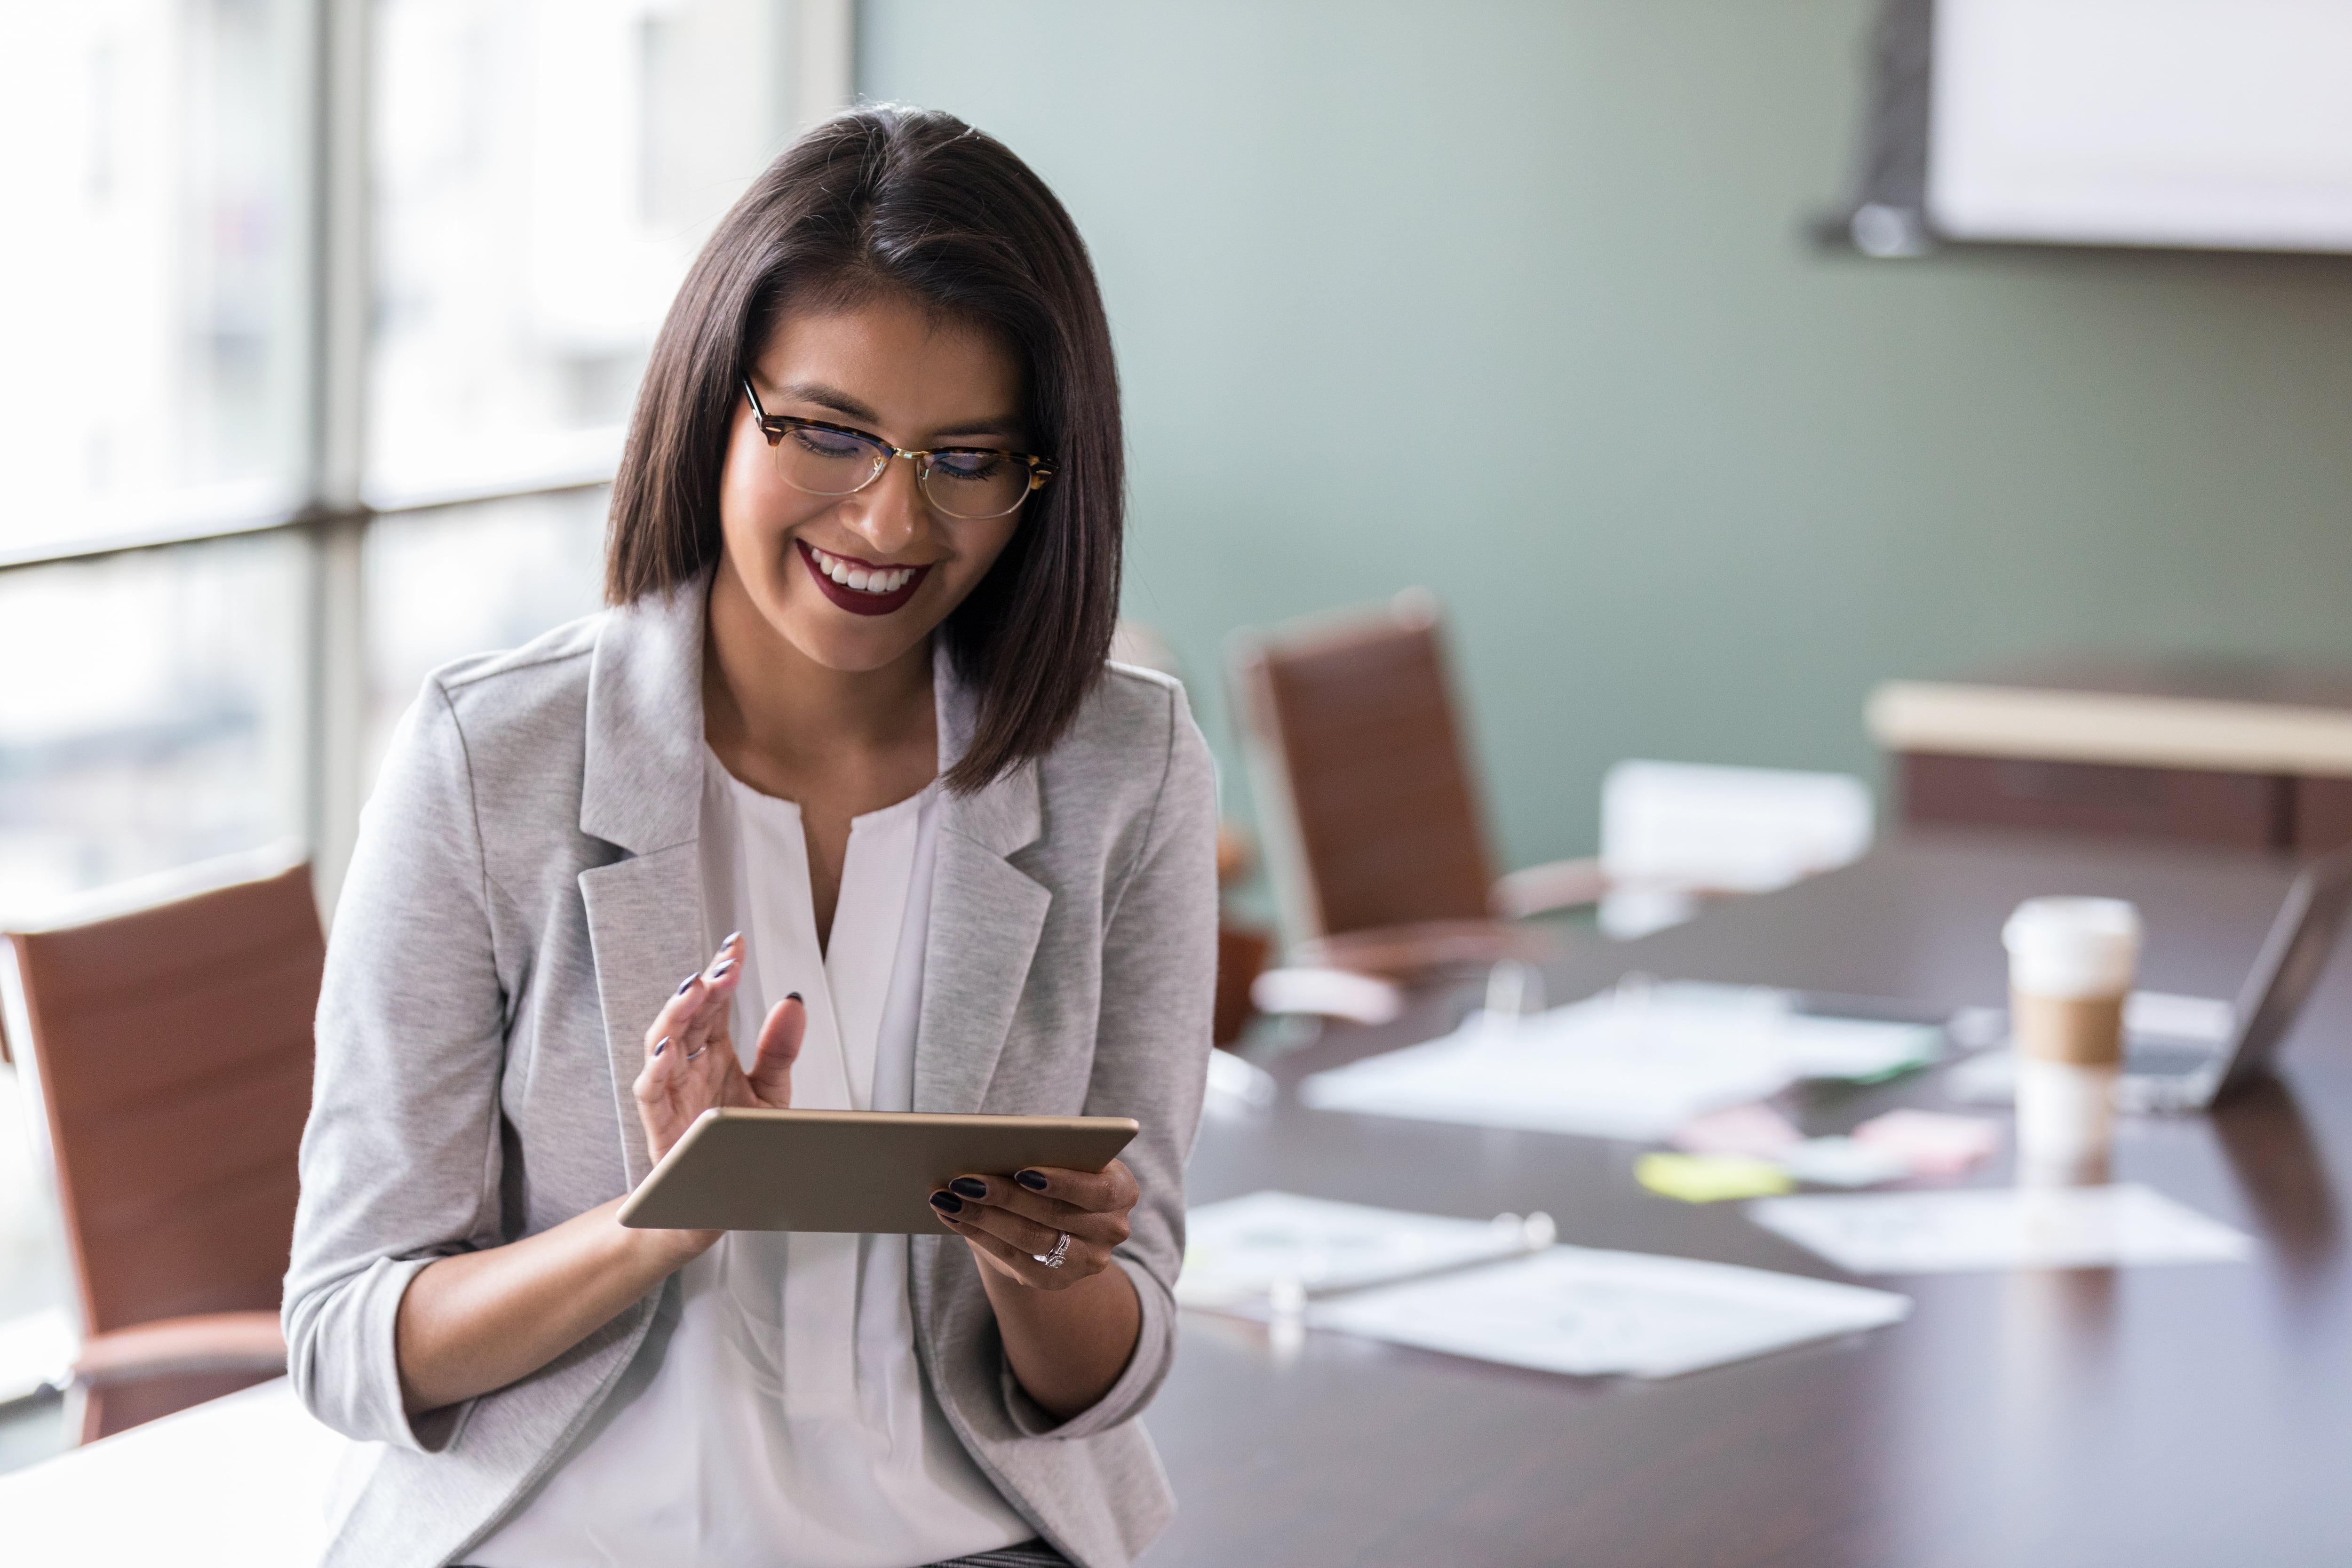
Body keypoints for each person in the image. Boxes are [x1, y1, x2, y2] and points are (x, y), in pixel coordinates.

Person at [284, 106, 1216, 1568]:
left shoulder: (1125, 770)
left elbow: (1121, 1360)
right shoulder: (492, 760)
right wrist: (668, 1217)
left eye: (968, 459)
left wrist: (1047, 1270)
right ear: (716, 404)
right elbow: (346, 1336)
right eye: (830, 433)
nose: (892, 520)